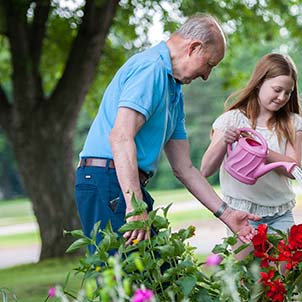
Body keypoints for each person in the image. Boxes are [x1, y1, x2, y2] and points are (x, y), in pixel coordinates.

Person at [74, 14, 258, 252]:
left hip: (123, 183)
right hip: (107, 181)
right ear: (193, 48)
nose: (206, 76)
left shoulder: (174, 90)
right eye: (209, 64)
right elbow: (120, 136)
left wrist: (227, 214)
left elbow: (185, 168)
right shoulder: (151, 69)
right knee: (124, 281)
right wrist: (135, 205)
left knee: (154, 278)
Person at [201, 53, 302, 257]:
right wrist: (225, 140)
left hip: (280, 214)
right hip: (242, 216)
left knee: (282, 282)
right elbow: (205, 169)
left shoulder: (292, 123)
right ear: (259, 83)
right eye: (277, 90)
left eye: (288, 92)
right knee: (247, 282)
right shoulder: (231, 120)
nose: (282, 97)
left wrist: (263, 152)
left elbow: (294, 168)